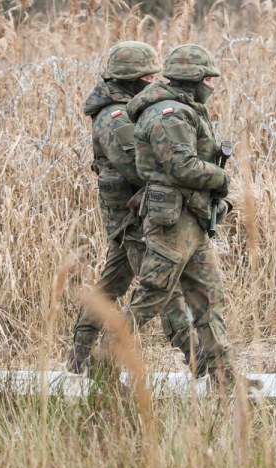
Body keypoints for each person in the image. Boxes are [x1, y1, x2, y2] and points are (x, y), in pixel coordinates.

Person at [103, 43, 240, 384]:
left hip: (191, 217)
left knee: (209, 298)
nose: (212, 85)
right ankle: (101, 359)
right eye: (209, 79)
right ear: (193, 79)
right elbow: (182, 167)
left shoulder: (183, 109)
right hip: (172, 221)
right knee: (152, 295)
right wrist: (223, 177)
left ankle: (224, 378)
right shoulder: (169, 114)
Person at [66, 41, 194, 373]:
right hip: (132, 214)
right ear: (131, 78)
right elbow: (135, 167)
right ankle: (197, 356)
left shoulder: (123, 107)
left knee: (113, 283)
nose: (156, 82)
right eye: (149, 76)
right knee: (161, 285)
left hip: (130, 212)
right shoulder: (115, 116)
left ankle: (80, 354)